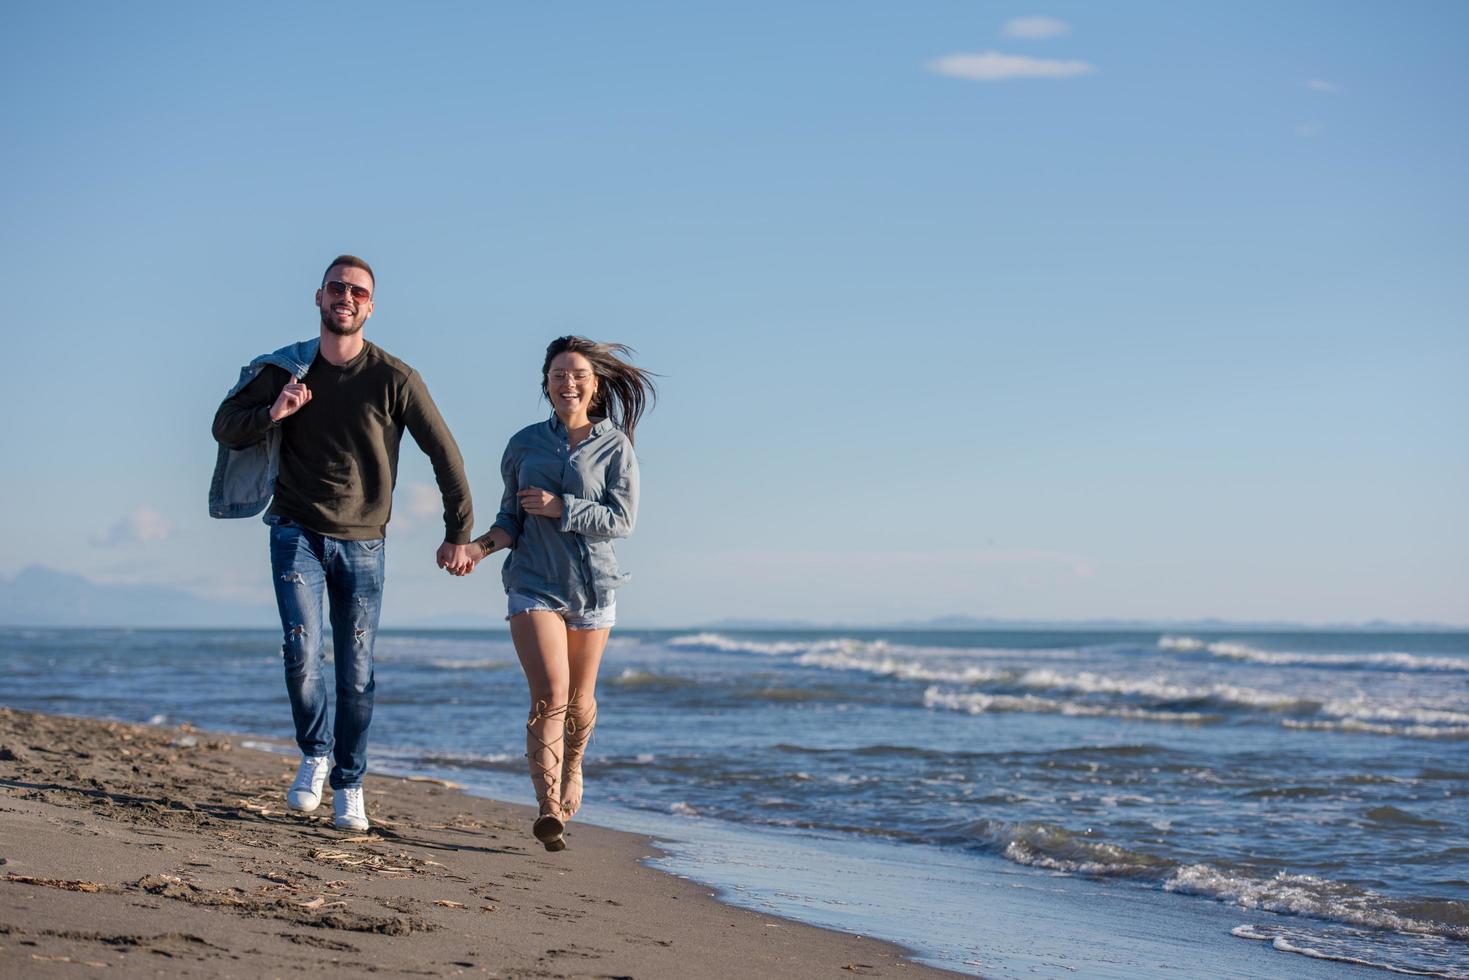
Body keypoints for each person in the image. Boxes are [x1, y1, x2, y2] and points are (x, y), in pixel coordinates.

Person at [211, 255, 476, 832]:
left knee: (356, 671)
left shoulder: (394, 377)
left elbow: (446, 456)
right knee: (302, 652)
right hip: (294, 529)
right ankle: (315, 755)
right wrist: (273, 411)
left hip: (363, 543)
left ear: (370, 306)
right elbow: (224, 424)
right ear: (319, 297)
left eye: (358, 291)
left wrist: (459, 532)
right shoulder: (287, 369)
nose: (346, 298)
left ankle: (350, 784)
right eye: (337, 288)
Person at [467, 336, 654, 851]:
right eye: (557, 375)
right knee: (549, 695)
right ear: (545, 383)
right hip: (532, 583)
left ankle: (573, 768)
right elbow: (509, 518)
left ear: (594, 386)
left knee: (580, 698)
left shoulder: (615, 446)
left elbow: (623, 520)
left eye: (577, 375)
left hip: (593, 588)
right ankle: (549, 807)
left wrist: (562, 506)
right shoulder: (523, 443)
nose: (567, 383)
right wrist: (478, 549)